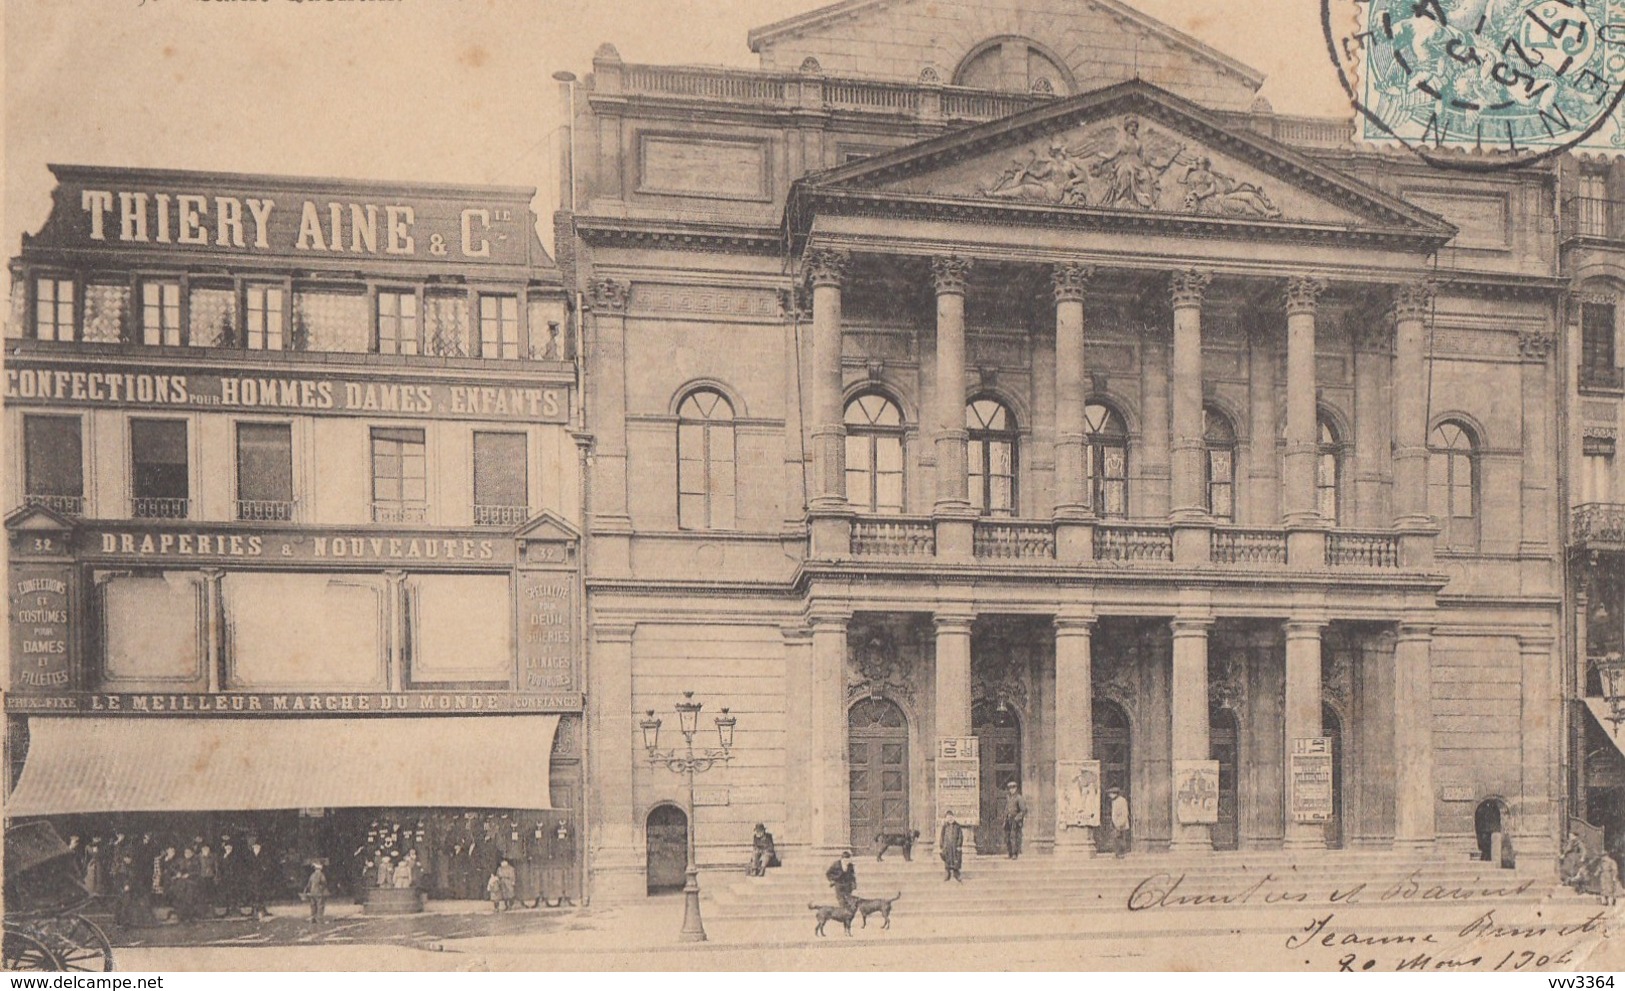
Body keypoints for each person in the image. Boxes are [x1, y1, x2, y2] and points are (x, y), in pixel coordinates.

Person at [1002, 781, 1029, 859]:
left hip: (1015, 820)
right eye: (1010, 788)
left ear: (1016, 788)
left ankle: (1015, 853)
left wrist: (1017, 818)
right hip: (1008, 819)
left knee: (1014, 837)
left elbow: (1024, 810)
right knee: (1007, 837)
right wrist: (1005, 818)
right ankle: (1010, 853)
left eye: (1013, 788)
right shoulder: (1008, 798)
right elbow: (1006, 809)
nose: (1011, 790)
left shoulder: (1019, 798)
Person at [939, 810, 964, 883]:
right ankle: (947, 874)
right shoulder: (945, 826)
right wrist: (941, 846)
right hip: (947, 847)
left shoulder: (957, 826)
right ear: (946, 818)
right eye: (948, 817)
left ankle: (956, 874)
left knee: (956, 860)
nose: (950, 819)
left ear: (953, 817)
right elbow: (942, 836)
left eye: (951, 817)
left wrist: (959, 845)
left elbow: (960, 836)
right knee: (947, 860)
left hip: (955, 847)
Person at [1109, 788, 1132, 858]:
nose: (1110, 795)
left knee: (1120, 839)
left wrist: (1120, 823)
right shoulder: (1115, 801)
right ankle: (1117, 853)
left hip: (1120, 823)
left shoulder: (1121, 801)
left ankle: (1121, 853)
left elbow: (1124, 813)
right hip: (1116, 823)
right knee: (1116, 839)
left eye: (1111, 793)